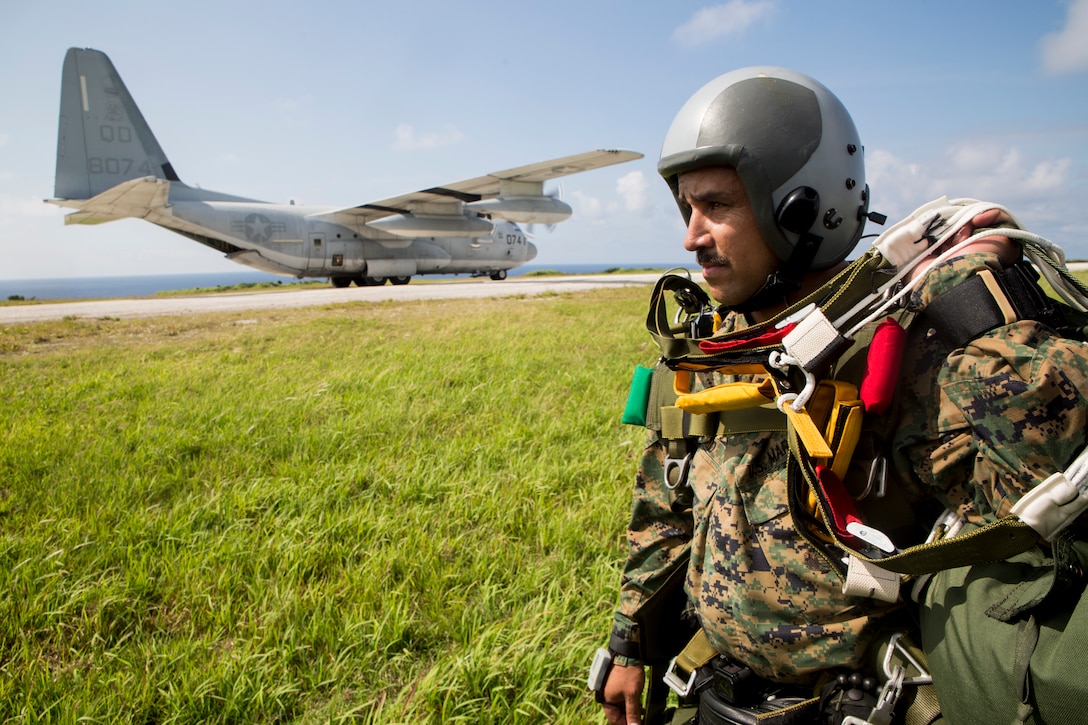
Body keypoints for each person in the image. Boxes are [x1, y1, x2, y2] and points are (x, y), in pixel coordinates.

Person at [594, 67, 1088, 725]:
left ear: (800, 204)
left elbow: (1050, 489)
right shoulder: (709, 350)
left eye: (716, 205)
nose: (692, 235)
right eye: (687, 208)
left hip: (854, 708)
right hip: (715, 693)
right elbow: (664, 501)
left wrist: (992, 315)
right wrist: (630, 638)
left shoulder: (906, 343)